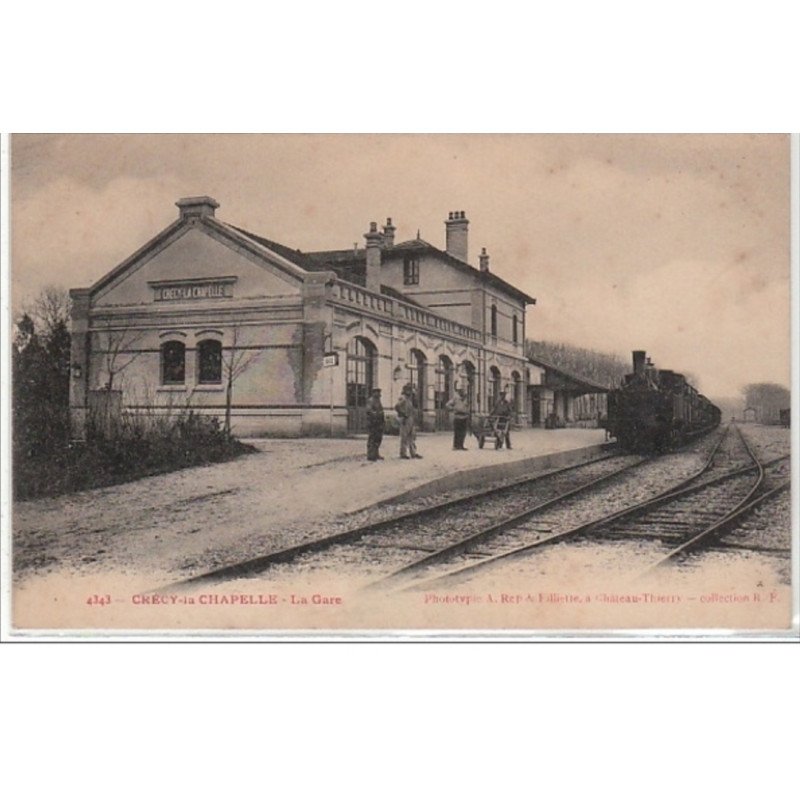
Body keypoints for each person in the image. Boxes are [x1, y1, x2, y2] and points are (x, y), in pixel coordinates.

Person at [395, 383, 422, 459]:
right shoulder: (403, 398)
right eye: (409, 390)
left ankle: (413, 452)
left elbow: (415, 405)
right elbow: (397, 406)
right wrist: (402, 414)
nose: (410, 392)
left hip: (410, 419)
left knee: (412, 436)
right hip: (405, 419)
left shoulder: (409, 399)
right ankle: (403, 453)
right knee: (404, 437)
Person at [365, 387, 385, 462]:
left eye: (379, 392)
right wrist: (376, 414)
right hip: (373, 423)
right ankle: (370, 455)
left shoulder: (378, 401)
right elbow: (369, 411)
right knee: (372, 439)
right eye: (378, 392)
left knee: (378, 439)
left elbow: (381, 411)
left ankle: (376, 454)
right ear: (374, 393)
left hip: (379, 423)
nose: (379, 394)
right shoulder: (371, 400)